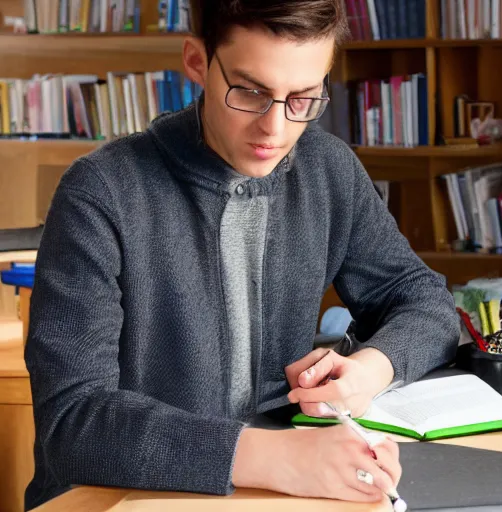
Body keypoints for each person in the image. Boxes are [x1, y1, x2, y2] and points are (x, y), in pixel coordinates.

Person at [24, 0, 460, 510]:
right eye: (250, 92)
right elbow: (74, 422)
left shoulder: (328, 169)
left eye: (302, 97)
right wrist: (282, 457)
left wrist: (370, 368)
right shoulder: (100, 191)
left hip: (275, 490)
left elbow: (426, 301)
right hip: (116, 497)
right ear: (196, 61)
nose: (275, 129)